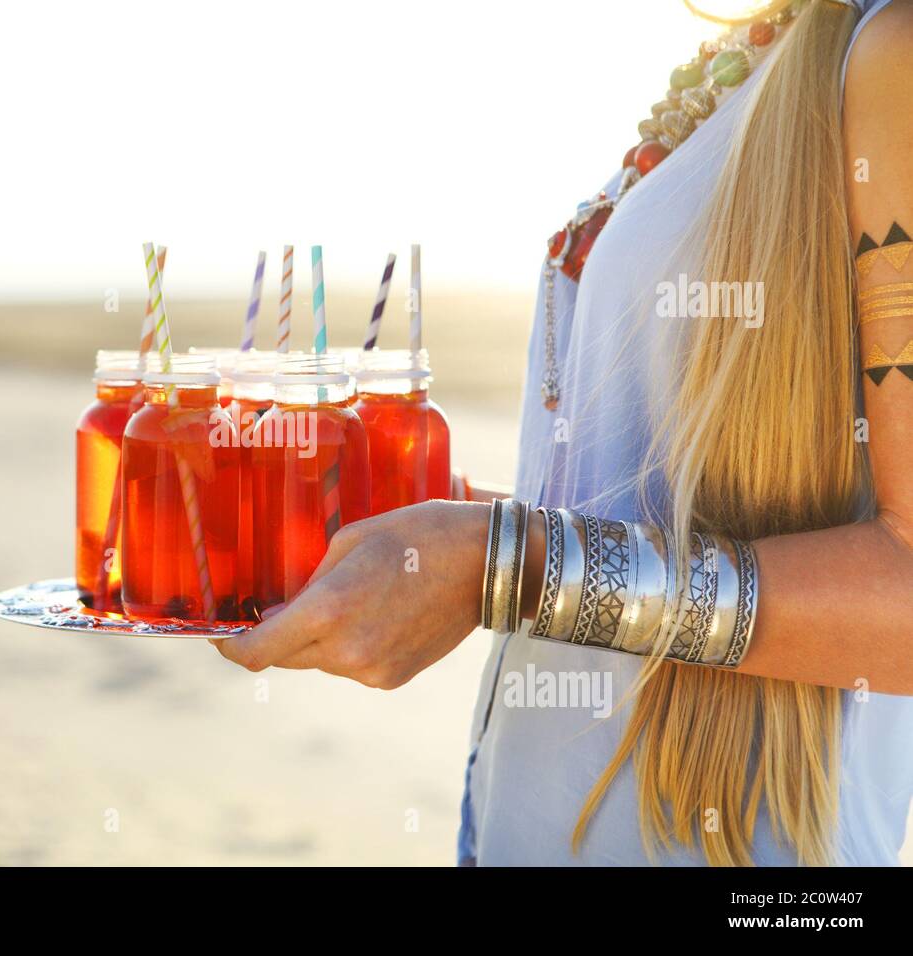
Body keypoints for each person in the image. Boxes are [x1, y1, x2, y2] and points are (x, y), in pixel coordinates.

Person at [216, 0, 913, 866]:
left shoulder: (895, 55)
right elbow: (632, 508)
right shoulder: (762, 55)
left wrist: (501, 563)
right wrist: (447, 538)